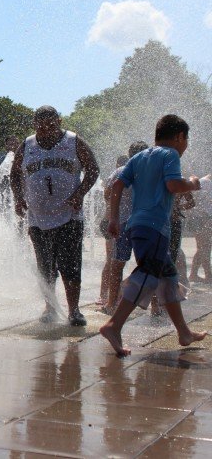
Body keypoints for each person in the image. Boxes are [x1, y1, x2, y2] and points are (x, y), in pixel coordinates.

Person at [100, 114, 207, 356]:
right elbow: (173, 186)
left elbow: (117, 186)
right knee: (147, 273)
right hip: (153, 226)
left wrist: (114, 218)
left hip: (138, 225)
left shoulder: (138, 157)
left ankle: (183, 332)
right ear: (179, 137)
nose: (186, 147)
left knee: (168, 277)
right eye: (186, 140)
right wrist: (193, 183)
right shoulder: (170, 155)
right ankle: (114, 326)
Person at [10, 105, 99, 326]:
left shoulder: (73, 141)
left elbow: (93, 169)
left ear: (59, 121)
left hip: (69, 215)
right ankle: (49, 308)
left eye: (50, 125)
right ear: (34, 125)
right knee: (45, 267)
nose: (46, 130)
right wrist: (19, 198)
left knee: (70, 265)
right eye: (41, 126)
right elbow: (14, 174)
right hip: (37, 219)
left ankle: (74, 310)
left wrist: (79, 194)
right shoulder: (27, 145)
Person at [103, 141, 149, 315]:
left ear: (129, 154)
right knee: (148, 266)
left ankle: (111, 303)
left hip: (123, 224)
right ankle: (155, 305)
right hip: (144, 225)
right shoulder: (149, 173)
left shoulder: (120, 172)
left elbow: (107, 194)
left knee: (117, 264)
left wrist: (113, 215)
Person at [97, 155, 128, 308]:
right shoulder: (119, 173)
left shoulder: (116, 174)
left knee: (113, 261)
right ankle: (104, 295)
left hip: (111, 221)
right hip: (111, 222)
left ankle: (109, 294)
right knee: (111, 261)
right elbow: (107, 195)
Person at [189, 176, 212, 283]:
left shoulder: (202, 181)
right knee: (205, 248)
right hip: (204, 218)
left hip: (197, 218)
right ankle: (209, 276)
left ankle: (193, 274)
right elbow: (207, 207)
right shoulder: (207, 183)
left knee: (202, 248)